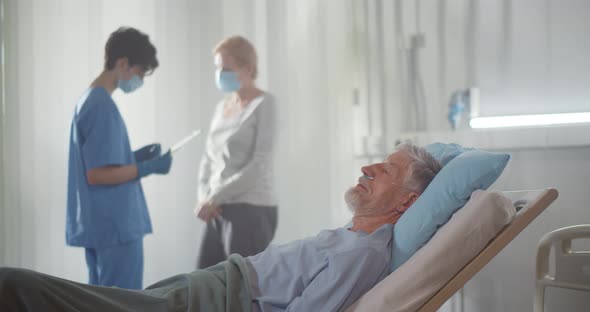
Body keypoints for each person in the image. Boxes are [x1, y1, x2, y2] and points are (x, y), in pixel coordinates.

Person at [0, 143, 441, 312]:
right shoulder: (353, 237)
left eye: (384, 170)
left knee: (25, 291)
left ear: (407, 201)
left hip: (218, 299)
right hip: (214, 286)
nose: (366, 166)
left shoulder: (361, 254)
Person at [65, 27, 173, 290]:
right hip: (116, 227)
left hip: (101, 226)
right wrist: (147, 167)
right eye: (140, 73)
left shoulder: (89, 100)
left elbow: (98, 161)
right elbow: (98, 174)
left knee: (100, 300)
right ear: (122, 63)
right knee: (122, 303)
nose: (140, 81)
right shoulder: (101, 106)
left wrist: (132, 156)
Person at [195, 36, 278, 269]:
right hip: (217, 208)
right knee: (203, 285)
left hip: (250, 209)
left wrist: (215, 197)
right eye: (218, 67)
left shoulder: (264, 104)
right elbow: (208, 157)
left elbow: (259, 164)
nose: (220, 73)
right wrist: (204, 197)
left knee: (241, 290)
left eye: (226, 68)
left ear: (248, 68)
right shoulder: (221, 108)